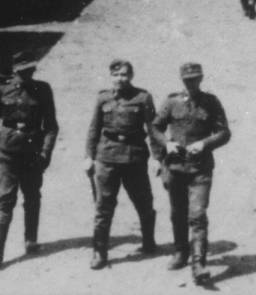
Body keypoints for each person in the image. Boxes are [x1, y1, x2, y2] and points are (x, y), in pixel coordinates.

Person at [152, 63, 231, 284]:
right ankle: (181, 252)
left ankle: (199, 265)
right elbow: (155, 127)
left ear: (202, 78)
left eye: (195, 79)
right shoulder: (171, 102)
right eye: (187, 79)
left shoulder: (211, 102)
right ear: (181, 80)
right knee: (178, 213)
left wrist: (205, 144)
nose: (191, 83)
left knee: (197, 215)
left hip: (200, 168)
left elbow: (224, 132)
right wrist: (166, 144)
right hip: (175, 167)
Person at [0, 56, 58, 268]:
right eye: (21, 71)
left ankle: (31, 239)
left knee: (32, 195)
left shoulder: (43, 90)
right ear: (14, 71)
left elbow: (51, 126)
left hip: (32, 153)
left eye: (29, 70)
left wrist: (45, 154)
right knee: (4, 198)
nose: (26, 75)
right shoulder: (1, 90)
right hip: (6, 152)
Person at [85, 59, 159, 270]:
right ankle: (100, 252)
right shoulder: (102, 98)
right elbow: (94, 129)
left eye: (125, 75)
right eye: (116, 75)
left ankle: (148, 241)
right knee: (103, 206)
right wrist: (88, 156)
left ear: (131, 76)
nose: (120, 79)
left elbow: (153, 130)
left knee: (143, 201)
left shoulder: (143, 98)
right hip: (107, 158)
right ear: (111, 77)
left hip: (134, 158)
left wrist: (157, 157)